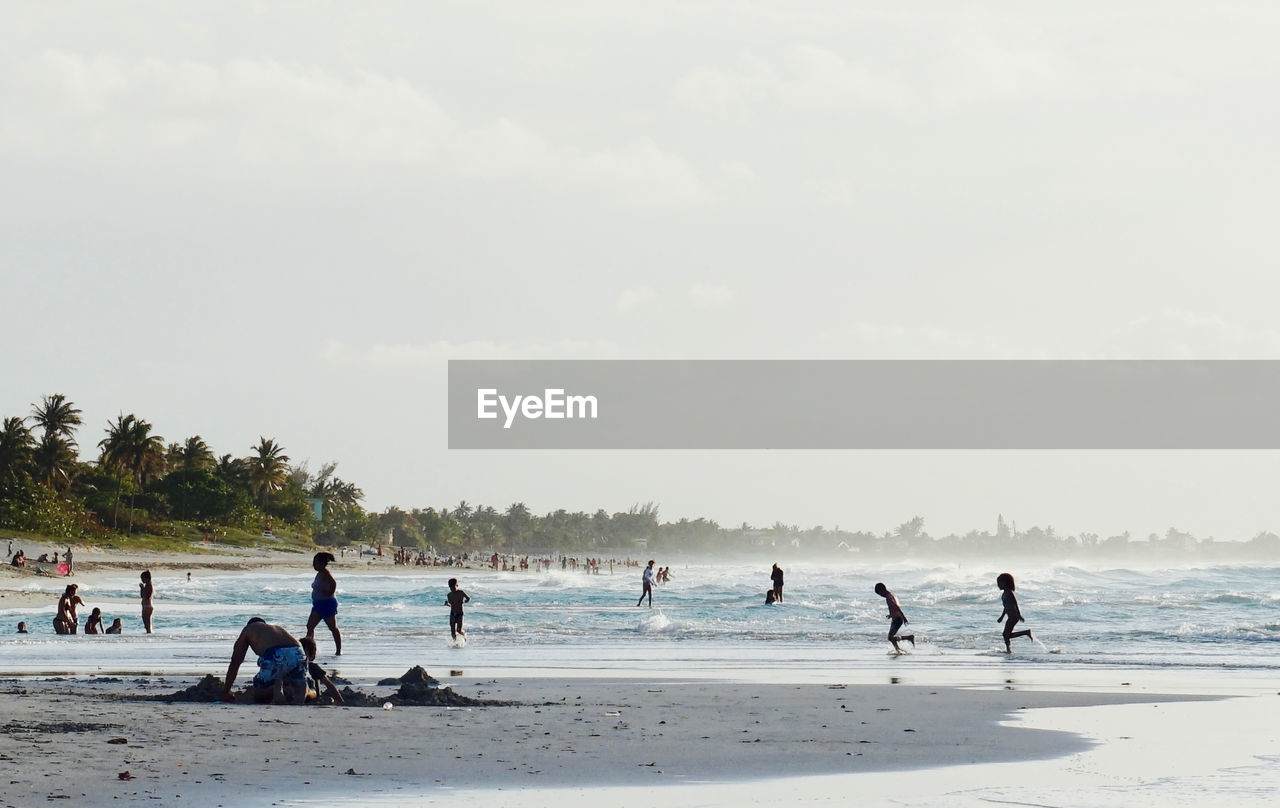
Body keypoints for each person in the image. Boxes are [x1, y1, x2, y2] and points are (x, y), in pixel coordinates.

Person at [222, 617, 308, 704]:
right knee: (297, 683)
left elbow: (235, 662)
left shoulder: (248, 629)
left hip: (275, 653)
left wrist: (226, 692)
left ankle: (275, 689)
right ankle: (307, 691)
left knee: (258, 692)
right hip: (298, 652)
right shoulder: (277, 629)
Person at [305, 552, 342, 656]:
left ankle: (338, 650)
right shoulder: (320, 573)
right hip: (318, 604)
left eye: (316, 563)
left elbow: (333, 583)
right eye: (313, 562)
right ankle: (310, 651)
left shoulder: (326, 573)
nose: (314, 565)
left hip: (327, 604)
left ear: (322, 563)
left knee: (333, 627)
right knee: (310, 626)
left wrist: (329, 593)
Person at [298, 636, 345, 705]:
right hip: (310, 696)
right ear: (313, 654)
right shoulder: (313, 667)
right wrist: (340, 701)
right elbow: (329, 685)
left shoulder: (291, 665)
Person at [874, 582, 915, 653]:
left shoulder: (889, 597)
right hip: (895, 618)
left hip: (898, 619)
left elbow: (897, 607)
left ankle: (909, 637)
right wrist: (891, 615)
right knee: (891, 637)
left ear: (881, 590)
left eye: (879, 594)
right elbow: (893, 609)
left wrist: (904, 617)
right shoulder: (889, 596)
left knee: (890, 637)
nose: (881, 596)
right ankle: (898, 649)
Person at [996, 572, 1033, 653]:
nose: (998, 585)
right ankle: (1008, 649)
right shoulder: (1005, 593)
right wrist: (1002, 617)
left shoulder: (1009, 592)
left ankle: (1025, 633)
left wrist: (1018, 615)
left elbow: (1015, 604)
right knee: (1006, 634)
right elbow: (1006, 607)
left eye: (999, 583)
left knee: (1006, 634)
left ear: (1005, 583)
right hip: (1011, 616)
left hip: (1014, 616)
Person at [445, 577, 470, 642]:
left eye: (453, 587)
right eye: (451, 588)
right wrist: (447, 604)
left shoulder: (461, 593)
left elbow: (468, 598)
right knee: (453, 632)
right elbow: (451, 605)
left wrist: (465, 601)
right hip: (452, 614)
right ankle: (455, 643)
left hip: (459, 614)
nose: (452, 589)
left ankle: (464, 635)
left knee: (459, 630)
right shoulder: (449, 595)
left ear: (457, 585)